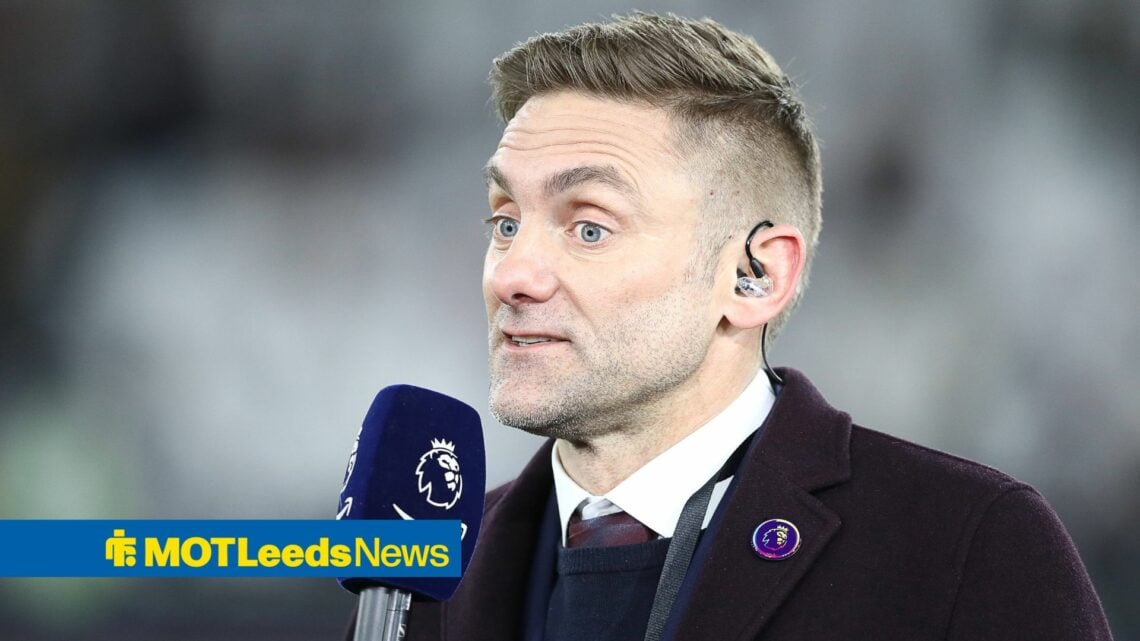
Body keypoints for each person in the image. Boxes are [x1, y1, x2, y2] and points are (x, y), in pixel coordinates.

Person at [357, 12, 1113, 641]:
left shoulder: (965, 547)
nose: (512, 273)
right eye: (504, 221)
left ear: (756, 275)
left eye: (588, 227)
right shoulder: (416, 581)